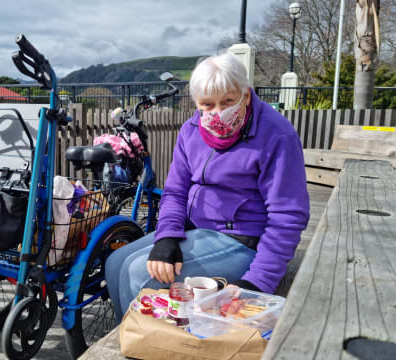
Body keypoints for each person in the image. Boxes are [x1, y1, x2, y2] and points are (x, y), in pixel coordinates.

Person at [105, 52, 310, 321]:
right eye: (207, 104)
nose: (218, 113)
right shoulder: (191, 130)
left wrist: (257, 283)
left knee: (138, 274)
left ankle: (147, 346)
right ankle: (135, 340)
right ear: (196, 103)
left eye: (227, 101)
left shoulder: (275, 135)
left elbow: (288, 216)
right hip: (197, 231)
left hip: (245, 241)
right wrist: (167, 237)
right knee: (115, 263)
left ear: (245, 95)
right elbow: (176, 191)